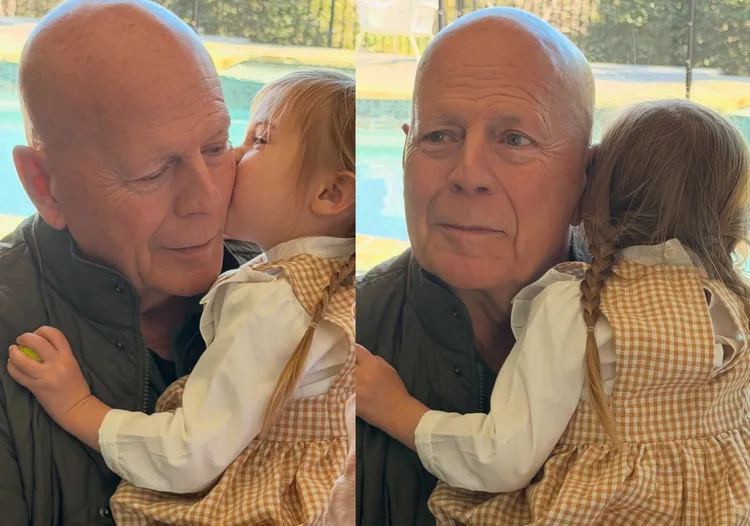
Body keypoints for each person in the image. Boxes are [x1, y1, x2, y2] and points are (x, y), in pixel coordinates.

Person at [359, 98, 750, 524]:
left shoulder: (578, 307)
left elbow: (504, 457)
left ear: (589, 193)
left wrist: (396, 409)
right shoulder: (737, 309)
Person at [9, 69, 357, 526]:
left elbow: (190, 451)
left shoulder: (275, 299)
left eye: (255, 141)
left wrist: (78, 407)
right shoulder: (335, 282)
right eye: (151, 170)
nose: (229, 165)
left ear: (330, 192)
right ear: (47, 184)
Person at [0, 1, 259, 523]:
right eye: (151, 172)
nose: (206, 199)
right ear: (45, 186)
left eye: (216, 147)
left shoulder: (282, 287)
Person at [354, 7, 595, 525]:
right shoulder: (336, 341)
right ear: (404, 151)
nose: (469, 174)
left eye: (515, 139)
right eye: (439, 135)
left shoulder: (679, 349)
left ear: (585, 181)